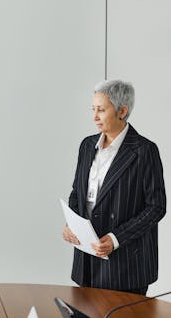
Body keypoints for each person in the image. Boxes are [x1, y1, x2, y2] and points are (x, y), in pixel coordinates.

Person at [63, 80, 166, 295]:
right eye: (93, 109)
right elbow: (77, 194)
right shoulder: (86, 146)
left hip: (126, 264)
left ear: (122, 111)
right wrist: (71, 225)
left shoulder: (144, 150)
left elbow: (156, 207)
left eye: (101, 110)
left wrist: (116, 238)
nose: (95, 116)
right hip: (87, 260)